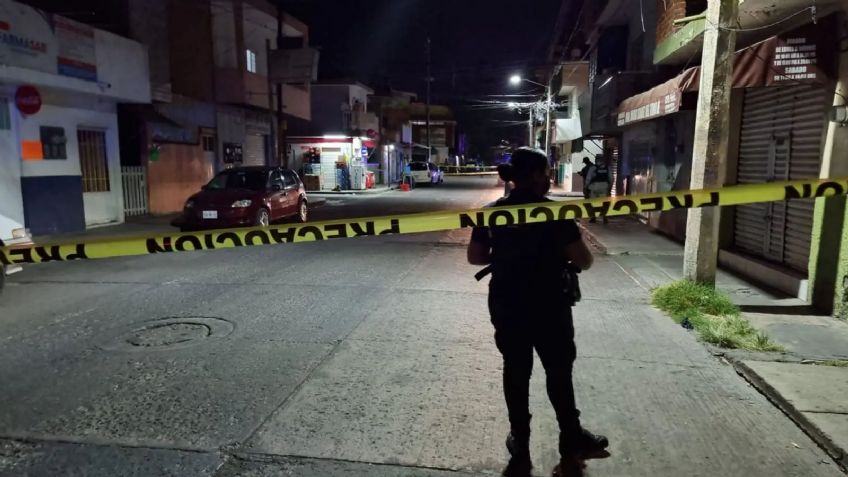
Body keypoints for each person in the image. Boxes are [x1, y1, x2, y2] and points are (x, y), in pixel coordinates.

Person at [467, 148, 608, 477]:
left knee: (516, 370)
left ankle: (520, 438)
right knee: (558, 371)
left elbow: (475, 257)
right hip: (549, 304)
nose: (548, 179)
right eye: (545, 173)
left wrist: (507, 254)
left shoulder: (492, 213)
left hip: (506, 301)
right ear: (533, 176)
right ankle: (571, 436)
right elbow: (584, 261)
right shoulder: (554, 214)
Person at [585, 155, 611, 224]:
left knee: (592, 203)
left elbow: (588, 179)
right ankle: (605, 218)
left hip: (594, 187)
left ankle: (593, 217)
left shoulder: (593, 168)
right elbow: (611, 179)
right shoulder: (608, 168)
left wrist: (586, 187)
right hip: (604, 187)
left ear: (596, 160)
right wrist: (609, 188)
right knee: (604, 203)